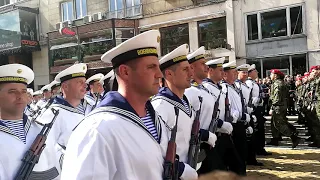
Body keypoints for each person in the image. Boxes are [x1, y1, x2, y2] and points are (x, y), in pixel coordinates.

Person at [61, 30, 176, 180]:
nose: (160, 74)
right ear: (125, 72)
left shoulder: (152, 116)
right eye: (151, 67)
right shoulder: (97, 130)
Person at [0, 64, 59, 179]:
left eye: (23, 91)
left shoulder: (39, 130)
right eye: (12, 91)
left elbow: (55, 169)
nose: (20, 96)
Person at [151, 44, 199, 180]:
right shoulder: (160, 106)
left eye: (190, 69)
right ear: (169, 74)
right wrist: (180, 169)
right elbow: (153, 150)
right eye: (185, 70)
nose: (191, 74)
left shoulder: (185, 101)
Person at [184, 47, 227, 175]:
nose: (206, 67)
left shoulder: (203, 89)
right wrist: (204, 134)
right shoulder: (189, 92)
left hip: (210, 141)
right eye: (202, 64)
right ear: (191, 67)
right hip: (198, 145)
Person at [37, 63, 87, 172]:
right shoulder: (53, 113)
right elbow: (45, 148)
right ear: (65, 86)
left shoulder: (79, 111)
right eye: (80, 82)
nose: (85, 85)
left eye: (85, 82)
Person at [202, 58, 240, 174]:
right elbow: (208, 114)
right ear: (211, 71)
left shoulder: (218, 87)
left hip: (223, 133)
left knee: (236, 164)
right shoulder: (207, 88)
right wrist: (221, 124)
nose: (223, 73)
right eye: (220, 70)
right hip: (215, 133)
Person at [220, 61, 248, 176]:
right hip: (233, 125)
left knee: (242, 152)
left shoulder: (233, 86)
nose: (236, 74)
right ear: (225, 75)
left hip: (239, 123)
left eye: (236, 72)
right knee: (236, 155)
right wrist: (235, 115)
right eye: (233, 72)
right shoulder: (224, 87)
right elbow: (226, 107)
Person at [268, 69, 300, 148]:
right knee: (276, 122)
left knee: (279, 124)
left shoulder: (277, 84)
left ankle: (294, 137)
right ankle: (276, 138)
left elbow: (277, 97)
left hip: (278, 106)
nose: (270, 76)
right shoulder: (279, 83)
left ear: (275, 75)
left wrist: (272, 108)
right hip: (281, 106)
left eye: (271, 74)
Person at [246, 64, 271, 156]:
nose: (257, 72)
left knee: (260, 130)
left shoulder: (253, 83)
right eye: (255, 71)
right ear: (250, 73)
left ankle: (260, 148)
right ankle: (258, 149)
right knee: (257, 130)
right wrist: (257, 100)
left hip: (259, 109)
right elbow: (248, 98)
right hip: (254, 109)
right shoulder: (249, 83)